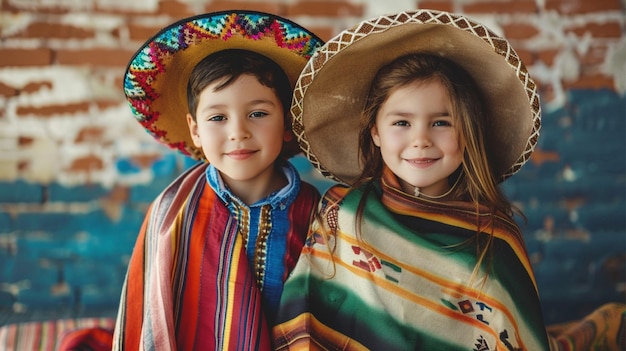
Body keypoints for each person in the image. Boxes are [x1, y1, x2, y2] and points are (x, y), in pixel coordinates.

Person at [272, 10, 625, 351]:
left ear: (467, 133)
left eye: (441, 122)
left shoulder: (492, 236)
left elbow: (509, 333)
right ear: (374, 131)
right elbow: (308, 320)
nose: (421, 140)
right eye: (402, 123)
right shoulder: (343, 214)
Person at [58, 11, 324, 351]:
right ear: (195, 131)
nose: (238, 132)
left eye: (258, 113)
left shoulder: (317, 213)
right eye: (217, 117)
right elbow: (154, 315)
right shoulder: (171, 214)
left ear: (287, 124)